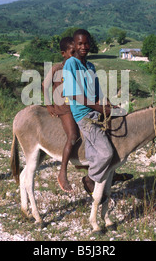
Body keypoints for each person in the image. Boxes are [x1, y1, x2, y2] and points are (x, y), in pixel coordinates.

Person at [62, 29, 116, 197]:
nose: (83, 47)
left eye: (86, 43)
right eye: (80, 44)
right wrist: (99, 108)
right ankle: (90, 178)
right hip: (84, 114)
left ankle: (104, 177)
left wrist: (108, 104)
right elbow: (74, 94)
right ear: (75, 45)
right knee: (107, 152)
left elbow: (98, 92)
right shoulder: (71, 63)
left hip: (95, 110)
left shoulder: (90, 66)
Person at [42, 37, 79, 193]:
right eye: (72, 52)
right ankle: (62, 172)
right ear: (63, 54)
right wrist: (49, 104)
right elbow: (45, 85)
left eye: (76, 52)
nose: (75, 55)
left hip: (78, 105)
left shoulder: (78, 67)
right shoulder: (57, 68)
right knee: (72, 136)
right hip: (64, 107)